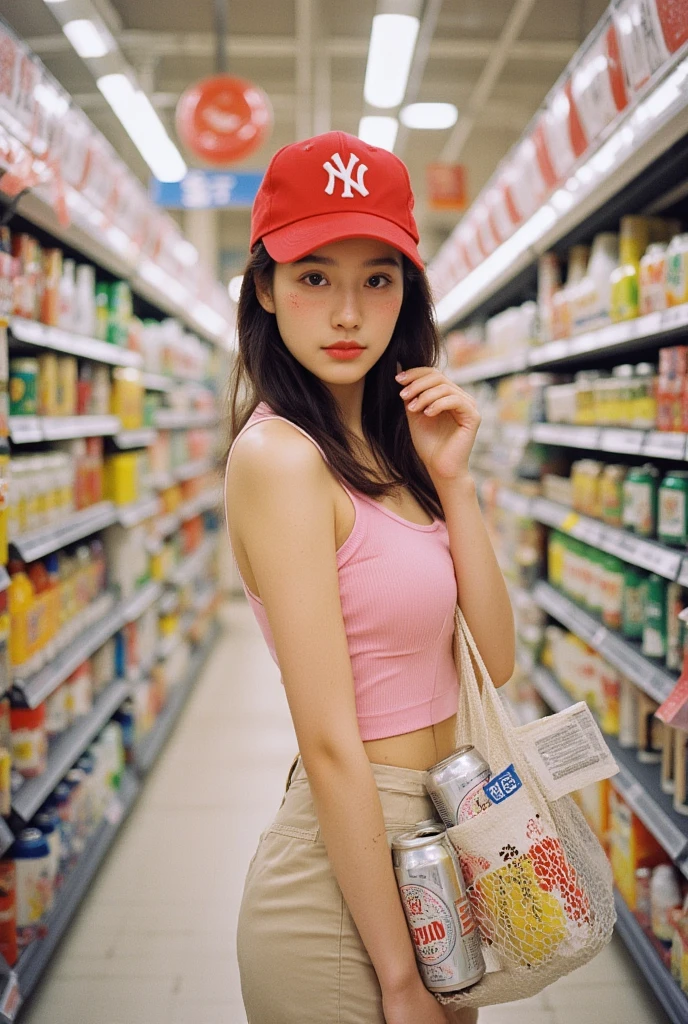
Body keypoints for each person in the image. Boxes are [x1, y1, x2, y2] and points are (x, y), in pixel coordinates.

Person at [224, 131, 515, 1024]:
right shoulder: (279, 458)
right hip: (346, 887)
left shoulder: (391, 453)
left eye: (377, 278)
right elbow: (329, 741)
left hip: (443, 829)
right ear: (266, 291)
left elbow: (493, 661)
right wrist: (398, 974)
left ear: (408, 295)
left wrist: (455, 479)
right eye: (315, 275)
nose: (348, 312)